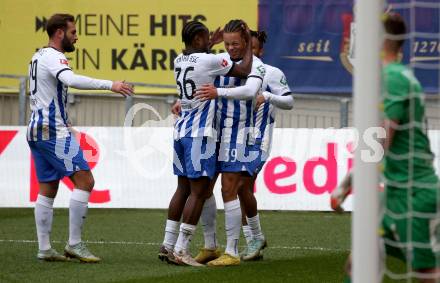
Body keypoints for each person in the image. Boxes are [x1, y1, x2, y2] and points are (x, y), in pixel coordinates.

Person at [333, 13, 440, 283]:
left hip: (414, 192)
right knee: (358, 262)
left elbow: (381, 142)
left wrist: (347, 184)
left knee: (426, 273)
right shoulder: (393, 76)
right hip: (395, 190)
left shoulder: (392, 78)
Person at [28, 13, 133, 262]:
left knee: (48, 187)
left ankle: (44, 248)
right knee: (85, 180)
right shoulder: (54, 57)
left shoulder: (37, 56)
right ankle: (74, 244)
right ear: (59, 33)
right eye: (73, 32)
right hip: (51, 131)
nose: (77, 36)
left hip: (36, 129)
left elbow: (48, 93)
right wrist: (111, 85)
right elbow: (71, 80)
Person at [158, 20, 253, 267]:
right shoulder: (209, 61)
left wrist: (209, 42)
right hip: (199, 135)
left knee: (183, 189)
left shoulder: (179, 60)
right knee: (200, 192)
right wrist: (249, 45)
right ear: (199, 39)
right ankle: (180, 249)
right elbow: (243, 70)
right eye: (206, 37)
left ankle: (167, 245)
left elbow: (198, 56)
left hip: (180, 132)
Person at [193, 20, 267, 266]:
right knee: (203, 189)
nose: (231, 48)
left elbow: (249, 91)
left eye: (236, 43)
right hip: (215, 132)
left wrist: (219, 93)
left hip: (240, 133)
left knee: (229, 189)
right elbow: (199, 77)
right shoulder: (221, 61)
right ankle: (210, 246)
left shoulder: (255, 64)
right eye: (227, 43)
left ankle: (232, 251)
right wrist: (181, 103)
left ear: (245, 41)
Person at [238, 30, 294, 261]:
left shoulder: (271, 73)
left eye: (253, 48)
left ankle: (256, 237)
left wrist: (268, 96)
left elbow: (289, 101)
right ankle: (253, 241)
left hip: (259, 141)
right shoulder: (236, 72)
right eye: (245, 47)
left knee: (241, 187)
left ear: (260, 50)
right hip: (235, 140)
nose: (248, 52)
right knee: (237, 190)